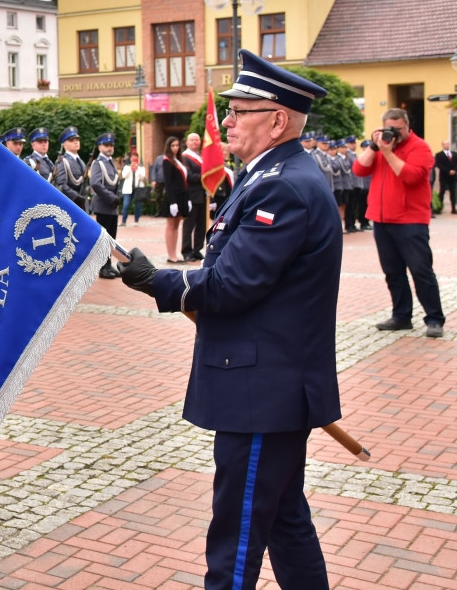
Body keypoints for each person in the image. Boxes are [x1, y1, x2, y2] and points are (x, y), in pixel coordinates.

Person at [117, 49, 340, 590]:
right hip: (268, 385)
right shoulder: (270, 174)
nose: (229, 121)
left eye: (242, 110)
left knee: (236, 538)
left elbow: (233, 284)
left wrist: (154, 280)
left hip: (264, 391)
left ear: (278, 120)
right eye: (232, 109)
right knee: (285, 522)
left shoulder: (282, 185)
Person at [353, 107, 444, 338]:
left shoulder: (420, 147)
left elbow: (412, 177)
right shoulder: (381, 145)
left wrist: (389, 152)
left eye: (399, 129)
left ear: (407, 126)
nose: (395, 133)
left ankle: (434, 318)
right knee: (393, 272)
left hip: (411, 221)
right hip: (382, 220)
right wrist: (375, 148)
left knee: (421, 270)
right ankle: (401, 316)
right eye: (390, 128)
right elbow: (359, 169)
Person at [90, 133, 120, 279]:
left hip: (112, 207)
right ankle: (103, 268)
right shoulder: (98, 163)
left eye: (111, 145)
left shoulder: (110, 162)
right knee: (104, 239)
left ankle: (108, 265)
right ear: (100, 147)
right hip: (104, 206)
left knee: (111, 238)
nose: (109, 148)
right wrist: (112, 198)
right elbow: (95, 183)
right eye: (106, 145)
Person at [161, 136, 188, 264]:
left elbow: (184, 182)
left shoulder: (178, 161)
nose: (175, 148)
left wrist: (187, 199)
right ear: (168, 147)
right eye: (173, 146)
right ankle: (170, 255)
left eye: (177, 145)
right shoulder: (167, 161)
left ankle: (175, 254)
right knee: (171, 226)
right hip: (172, 197)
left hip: (181, 196)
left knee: (176, 226)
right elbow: (168, 183)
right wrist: (172, 202)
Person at [180, 132, 206, 262]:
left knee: (201, 225)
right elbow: (188, 176)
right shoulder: (185, 157)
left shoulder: (202, 156)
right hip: (191, 195)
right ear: (187, 142)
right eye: (192, 140)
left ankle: (197, 249)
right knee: (189, 225)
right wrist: (205, 177)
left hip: (202, 195)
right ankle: (186, 251)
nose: (195, 142)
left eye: (197, 139)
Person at [53, 126, 87, 208]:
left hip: (82, 203)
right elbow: (61, 184)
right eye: (71, 140)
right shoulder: (62, 161)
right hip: (69, 203)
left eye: (77, 140)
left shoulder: (81, 162)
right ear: (64, 145)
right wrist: (76, 197)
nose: (76, 142)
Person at [119, 152, 148, 226]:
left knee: (138, 205)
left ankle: (136, 220)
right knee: (126, 205)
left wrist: (137, 168)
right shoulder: (127, 167)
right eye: (133, 157)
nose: (134, 159)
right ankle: (123, 221)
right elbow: (124, 175)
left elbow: (143, 177)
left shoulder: (141, 167)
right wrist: (131, 168)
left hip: (138, 189)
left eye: (135, 157)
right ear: (130, 158)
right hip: (128, 189)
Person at [434, 140, 457, 213]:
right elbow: (438, 164)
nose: (446, 145)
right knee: (442, 192)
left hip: (453, 177)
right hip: (444, 176)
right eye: (445, 144)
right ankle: (439, 208)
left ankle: (453, 208)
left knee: (453, 192)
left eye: (447, 144)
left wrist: (455, 170)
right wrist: (448, 171)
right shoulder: (439, 155)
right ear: (442, 145)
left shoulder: (454, 154)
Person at [342, 136, 360, 232]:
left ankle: (352, 224)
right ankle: (349, 224)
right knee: (349, 206)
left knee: (354, 205)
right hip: (351, 183)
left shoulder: (354, 154)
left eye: (354, 143)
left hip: (356, 183)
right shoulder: (347, 155)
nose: (354, 145)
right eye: (351, 143)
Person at [355, 141, 372, 230]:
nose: (368, 148)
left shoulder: (373, 157)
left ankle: (366, 221)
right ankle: (363, 222)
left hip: (370, 185)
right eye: (366, 146)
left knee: (368, 205)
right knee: (362, 205)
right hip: (363, 185)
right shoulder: (361, 158)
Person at [151, 152, 166, 217]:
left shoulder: (172, 158)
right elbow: (154, 169)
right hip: (159, 181)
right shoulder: (159, 158)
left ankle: (167, 211)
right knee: (158, 197)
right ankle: (159, 211)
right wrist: (154, 180)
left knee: (167, 197)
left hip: (169, 181)